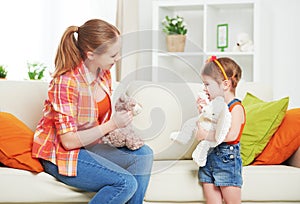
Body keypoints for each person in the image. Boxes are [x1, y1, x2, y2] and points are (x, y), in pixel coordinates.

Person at [32, 19, 153, 204]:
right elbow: (69, 141)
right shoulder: (65, 83)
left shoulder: (103, 73)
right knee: (125, 183)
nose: (117, 59)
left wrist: (120, 111)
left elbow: (96, 116)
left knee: (144, 155)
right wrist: (113, 124)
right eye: (113, 55)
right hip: (62, 154)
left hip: (90, 147)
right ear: (91, 54)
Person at [195, 56, 245, 204]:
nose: (204, 89)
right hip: (209, 158)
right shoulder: (214, 108)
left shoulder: (236, 108)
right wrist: (202, 113)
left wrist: (205, 135)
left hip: (227, 160)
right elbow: (206, 126)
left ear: (225, 84)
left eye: (207, 84)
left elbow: (231, 135)